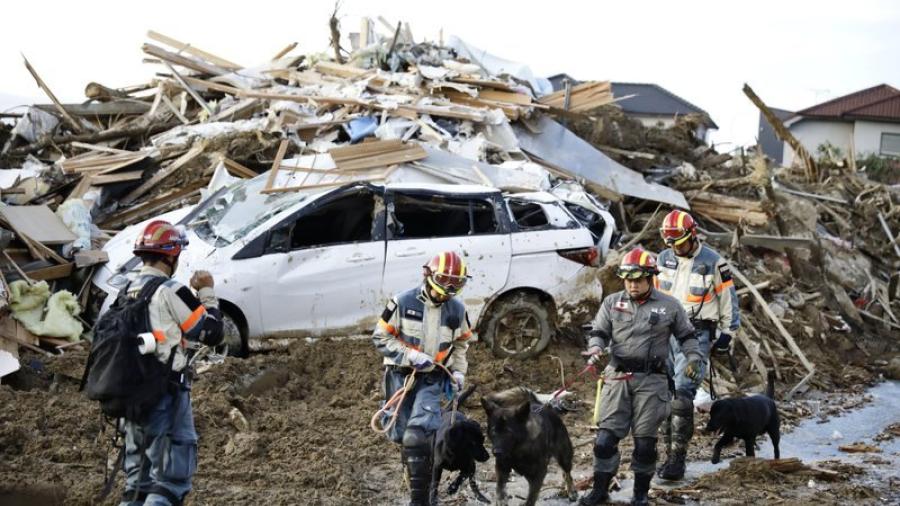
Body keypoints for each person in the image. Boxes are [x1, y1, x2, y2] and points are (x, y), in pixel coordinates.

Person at [579, 248, 702, 506]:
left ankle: (640, 496)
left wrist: (693, 358)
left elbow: (688, 337)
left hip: (652, 380)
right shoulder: (612, 302)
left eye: (638, 280)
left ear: (650, 278)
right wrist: (595, 348)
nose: (632, 285)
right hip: (617, 378)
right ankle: (600, 490)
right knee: (604, 441)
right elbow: (599, 331)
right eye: (628, 280)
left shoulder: (670, 306)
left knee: (645, 444)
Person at [120, 220, 224, 506]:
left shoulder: (125, 290)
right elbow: (212, 332)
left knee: (137, 485)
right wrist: (207, 292)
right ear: (171, 255)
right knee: (170, 481)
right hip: (166, 395)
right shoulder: (170, 291)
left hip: (130, 397)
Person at [372, 251, 475, 506]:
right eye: (445, 281)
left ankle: (423, 498)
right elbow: (380, 338)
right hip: (400, 376)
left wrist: (459, 371)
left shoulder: (457, 310)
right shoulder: (402, 302)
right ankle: (411, 467)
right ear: (428, 275)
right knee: (400, 434)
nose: (449, 289)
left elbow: (462, 344)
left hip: (433, 378)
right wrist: (410, 356)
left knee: (422, 432)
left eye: (456, 283)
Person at [655, 210, 740, 481]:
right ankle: (665, 456)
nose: (674, 248)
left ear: (692, 236)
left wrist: (728, 333)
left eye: (678, 242)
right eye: (670, 243)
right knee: (664, 397)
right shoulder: (663, 258)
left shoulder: (714, 262)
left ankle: (676, 461)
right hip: (663, 332)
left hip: (696, 334)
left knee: (682, 398)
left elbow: (729, 299)